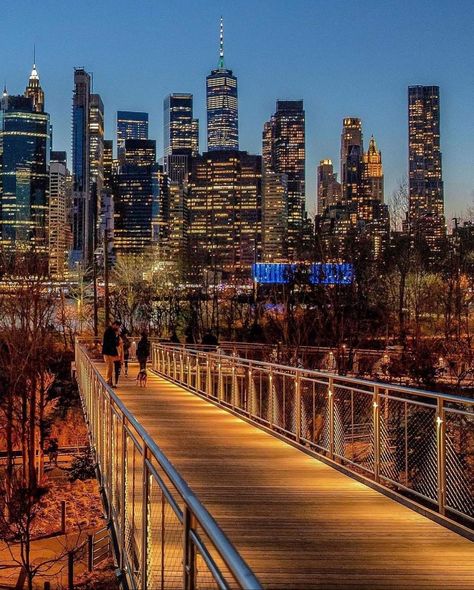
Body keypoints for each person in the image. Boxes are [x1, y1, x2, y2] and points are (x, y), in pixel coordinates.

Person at [102, 320, 121, 387]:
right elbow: (114, 343)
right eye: (118, 326)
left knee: (110, 367)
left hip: (108, 351)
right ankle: (108, 381)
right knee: (110, 367)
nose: (118, 328)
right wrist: (117, 336)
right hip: (108, 352)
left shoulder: (110, 331)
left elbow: (115, 343)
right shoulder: (110, 331)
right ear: (115, 324)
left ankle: (109, 382)